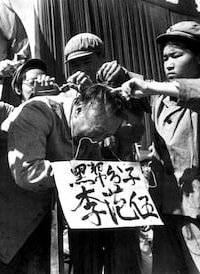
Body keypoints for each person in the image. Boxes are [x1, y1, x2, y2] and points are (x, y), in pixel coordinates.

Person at [120, 21, 200, 272]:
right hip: (167, 207)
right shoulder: (160, 98)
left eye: (176, 55)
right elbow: (135, 89)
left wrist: (147, 86)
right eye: (165, 58)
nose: (169, 63)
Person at [5, 84, 128, 273]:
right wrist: (86, 174)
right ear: (78, 109)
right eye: (98, 131)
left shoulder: (89, 136)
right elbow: (28, 172)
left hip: (35, 225)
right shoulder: (38, 111)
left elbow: (96, 171)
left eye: (107, 135)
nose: (99, 140)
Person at [0, 58, 64, 273]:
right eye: (32, 82)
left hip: (28, 232)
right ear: (17, 88)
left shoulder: (60, 117)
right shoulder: (7, 112)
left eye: (44, 81)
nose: (39, 86)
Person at [63, 33, 146, 273]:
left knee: (124, 258)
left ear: (102, 58)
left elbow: (133, 131)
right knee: (85, 259)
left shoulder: (125, 83)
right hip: (86, 184)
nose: (81, 69)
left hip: (120, 183)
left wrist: (98, 97)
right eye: (75, 64)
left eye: (87, 61)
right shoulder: (69, 95)